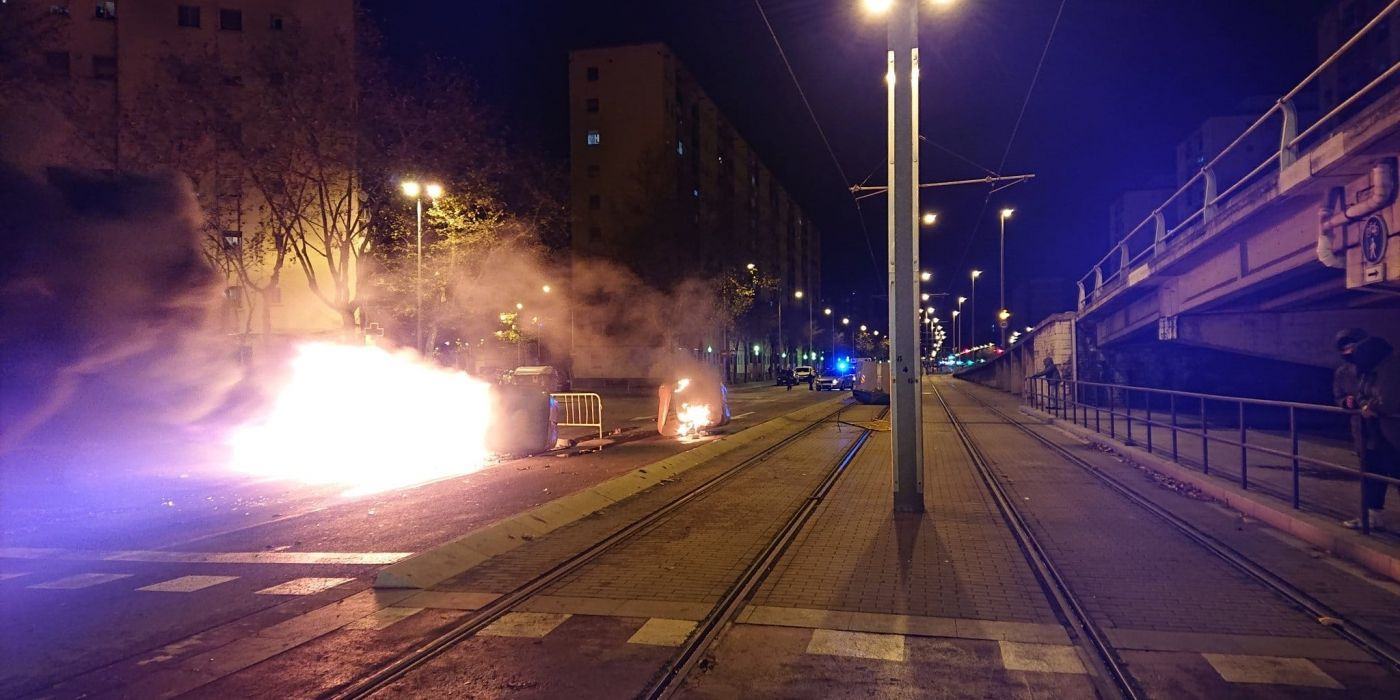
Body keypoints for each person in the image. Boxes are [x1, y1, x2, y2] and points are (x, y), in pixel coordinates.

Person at [1347, 334, 1400, 531]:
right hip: (1375, 433)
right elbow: (1360, 394)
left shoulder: (1391, 369)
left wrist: (1371, 407)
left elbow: (1390, 401)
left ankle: (1372, 516)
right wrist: (1365, 405)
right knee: (1373, 471)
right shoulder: (1370, 369)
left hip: (1393, 434)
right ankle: (1372, 516)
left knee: (1395, 471)